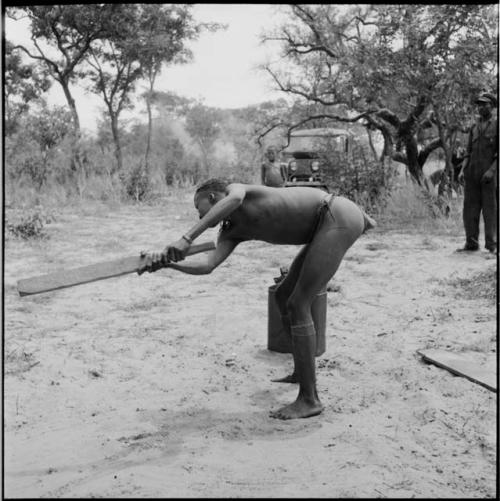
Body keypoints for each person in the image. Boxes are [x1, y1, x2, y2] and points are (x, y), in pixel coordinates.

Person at [139, 179, 376, 420]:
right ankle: (300, 371)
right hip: (323, 228)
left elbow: (233, 200)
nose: (197, 213)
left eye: (197, 207)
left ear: (212, 198)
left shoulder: (236, 190)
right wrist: (169, 265)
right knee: (284, 295)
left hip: (335, 215)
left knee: (298, 303)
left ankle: (309, 399)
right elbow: (208, 265)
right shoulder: (231, 230)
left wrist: (186, 238)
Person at [457, 92, 498, 253]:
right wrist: (462, 170)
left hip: (490, 175)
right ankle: (471, 243)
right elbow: (468, 152)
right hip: (472, 173)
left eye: (484, 104)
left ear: (493, 107)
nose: (480, 107)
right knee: (470, 209)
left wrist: (492, 170)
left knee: (491, 210)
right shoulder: (474, 127)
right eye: (479, 105)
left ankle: (492, 244)